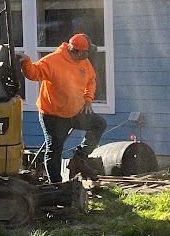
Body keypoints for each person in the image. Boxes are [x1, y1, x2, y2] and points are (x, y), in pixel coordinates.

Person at [18, 33, 107, 183]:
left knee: (99, 124)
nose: (89, 55)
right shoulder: (53, 61)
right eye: (87, 52)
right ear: (77, 51)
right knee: (54, 150)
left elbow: (91, 80)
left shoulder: (84, 62)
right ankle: (56, 185)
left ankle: (79, 158)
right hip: (54, 115)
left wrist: (88, 98)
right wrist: (26, 62)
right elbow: (33, 73)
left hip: (76, 111)